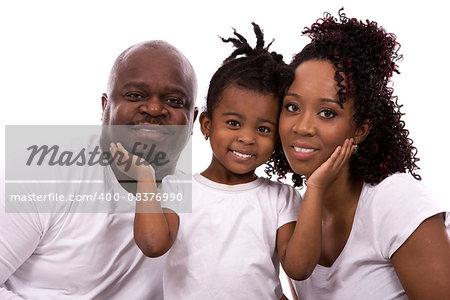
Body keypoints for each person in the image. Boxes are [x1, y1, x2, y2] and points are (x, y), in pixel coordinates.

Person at [112, 23, 355, 300]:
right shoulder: (178, 188)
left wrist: (316, 188)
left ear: (276, 137)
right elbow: (153, 245)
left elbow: (299, 269)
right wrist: (145, 176)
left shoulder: (280, 198)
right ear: (206, 124)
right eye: (233, 123)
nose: (247, 138)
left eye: (263, 129)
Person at [270, 10, 450, 300]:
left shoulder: (395, 202)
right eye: (292, 107)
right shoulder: (295, 217)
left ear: (362, 130)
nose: (302, 127)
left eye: (327, 113)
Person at [0, 40, 198, 299]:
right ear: (105, 106)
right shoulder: (42, 175)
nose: (154, 109)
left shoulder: (202, 202)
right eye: (135, 95)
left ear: (193, 120)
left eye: (173, 100)